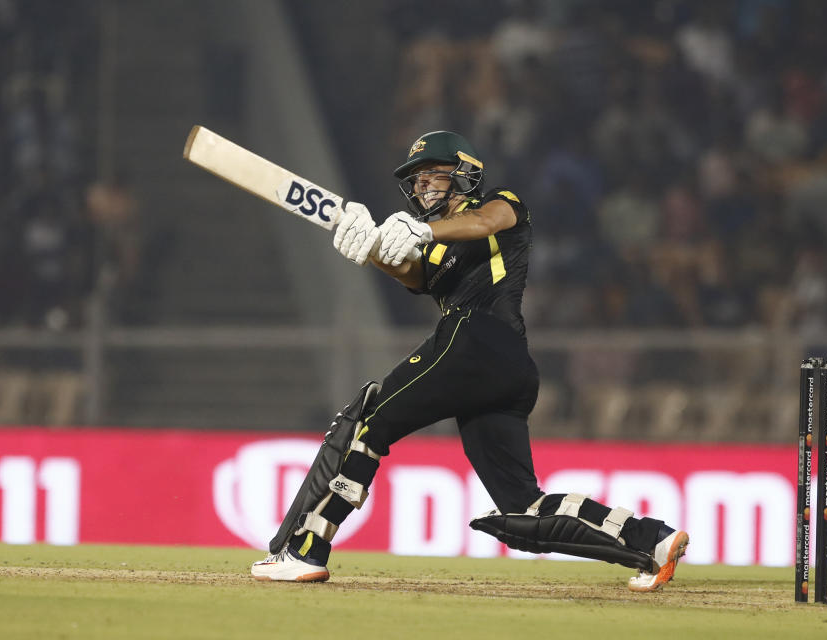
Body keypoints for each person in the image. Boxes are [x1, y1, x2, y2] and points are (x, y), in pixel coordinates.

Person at [250, 131, 689, 592]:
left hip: (477, 337)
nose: (422, 188)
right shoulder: (436, 245)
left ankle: (304, 550)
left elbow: (484, 222)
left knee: (368, 420)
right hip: (505, 369)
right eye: (416, 182)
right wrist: (367, 244)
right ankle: (652, 540)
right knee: (523, 508)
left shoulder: (500, 203)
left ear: (464, 173)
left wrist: (420, 229)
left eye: (431, 175)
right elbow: (414, 273)